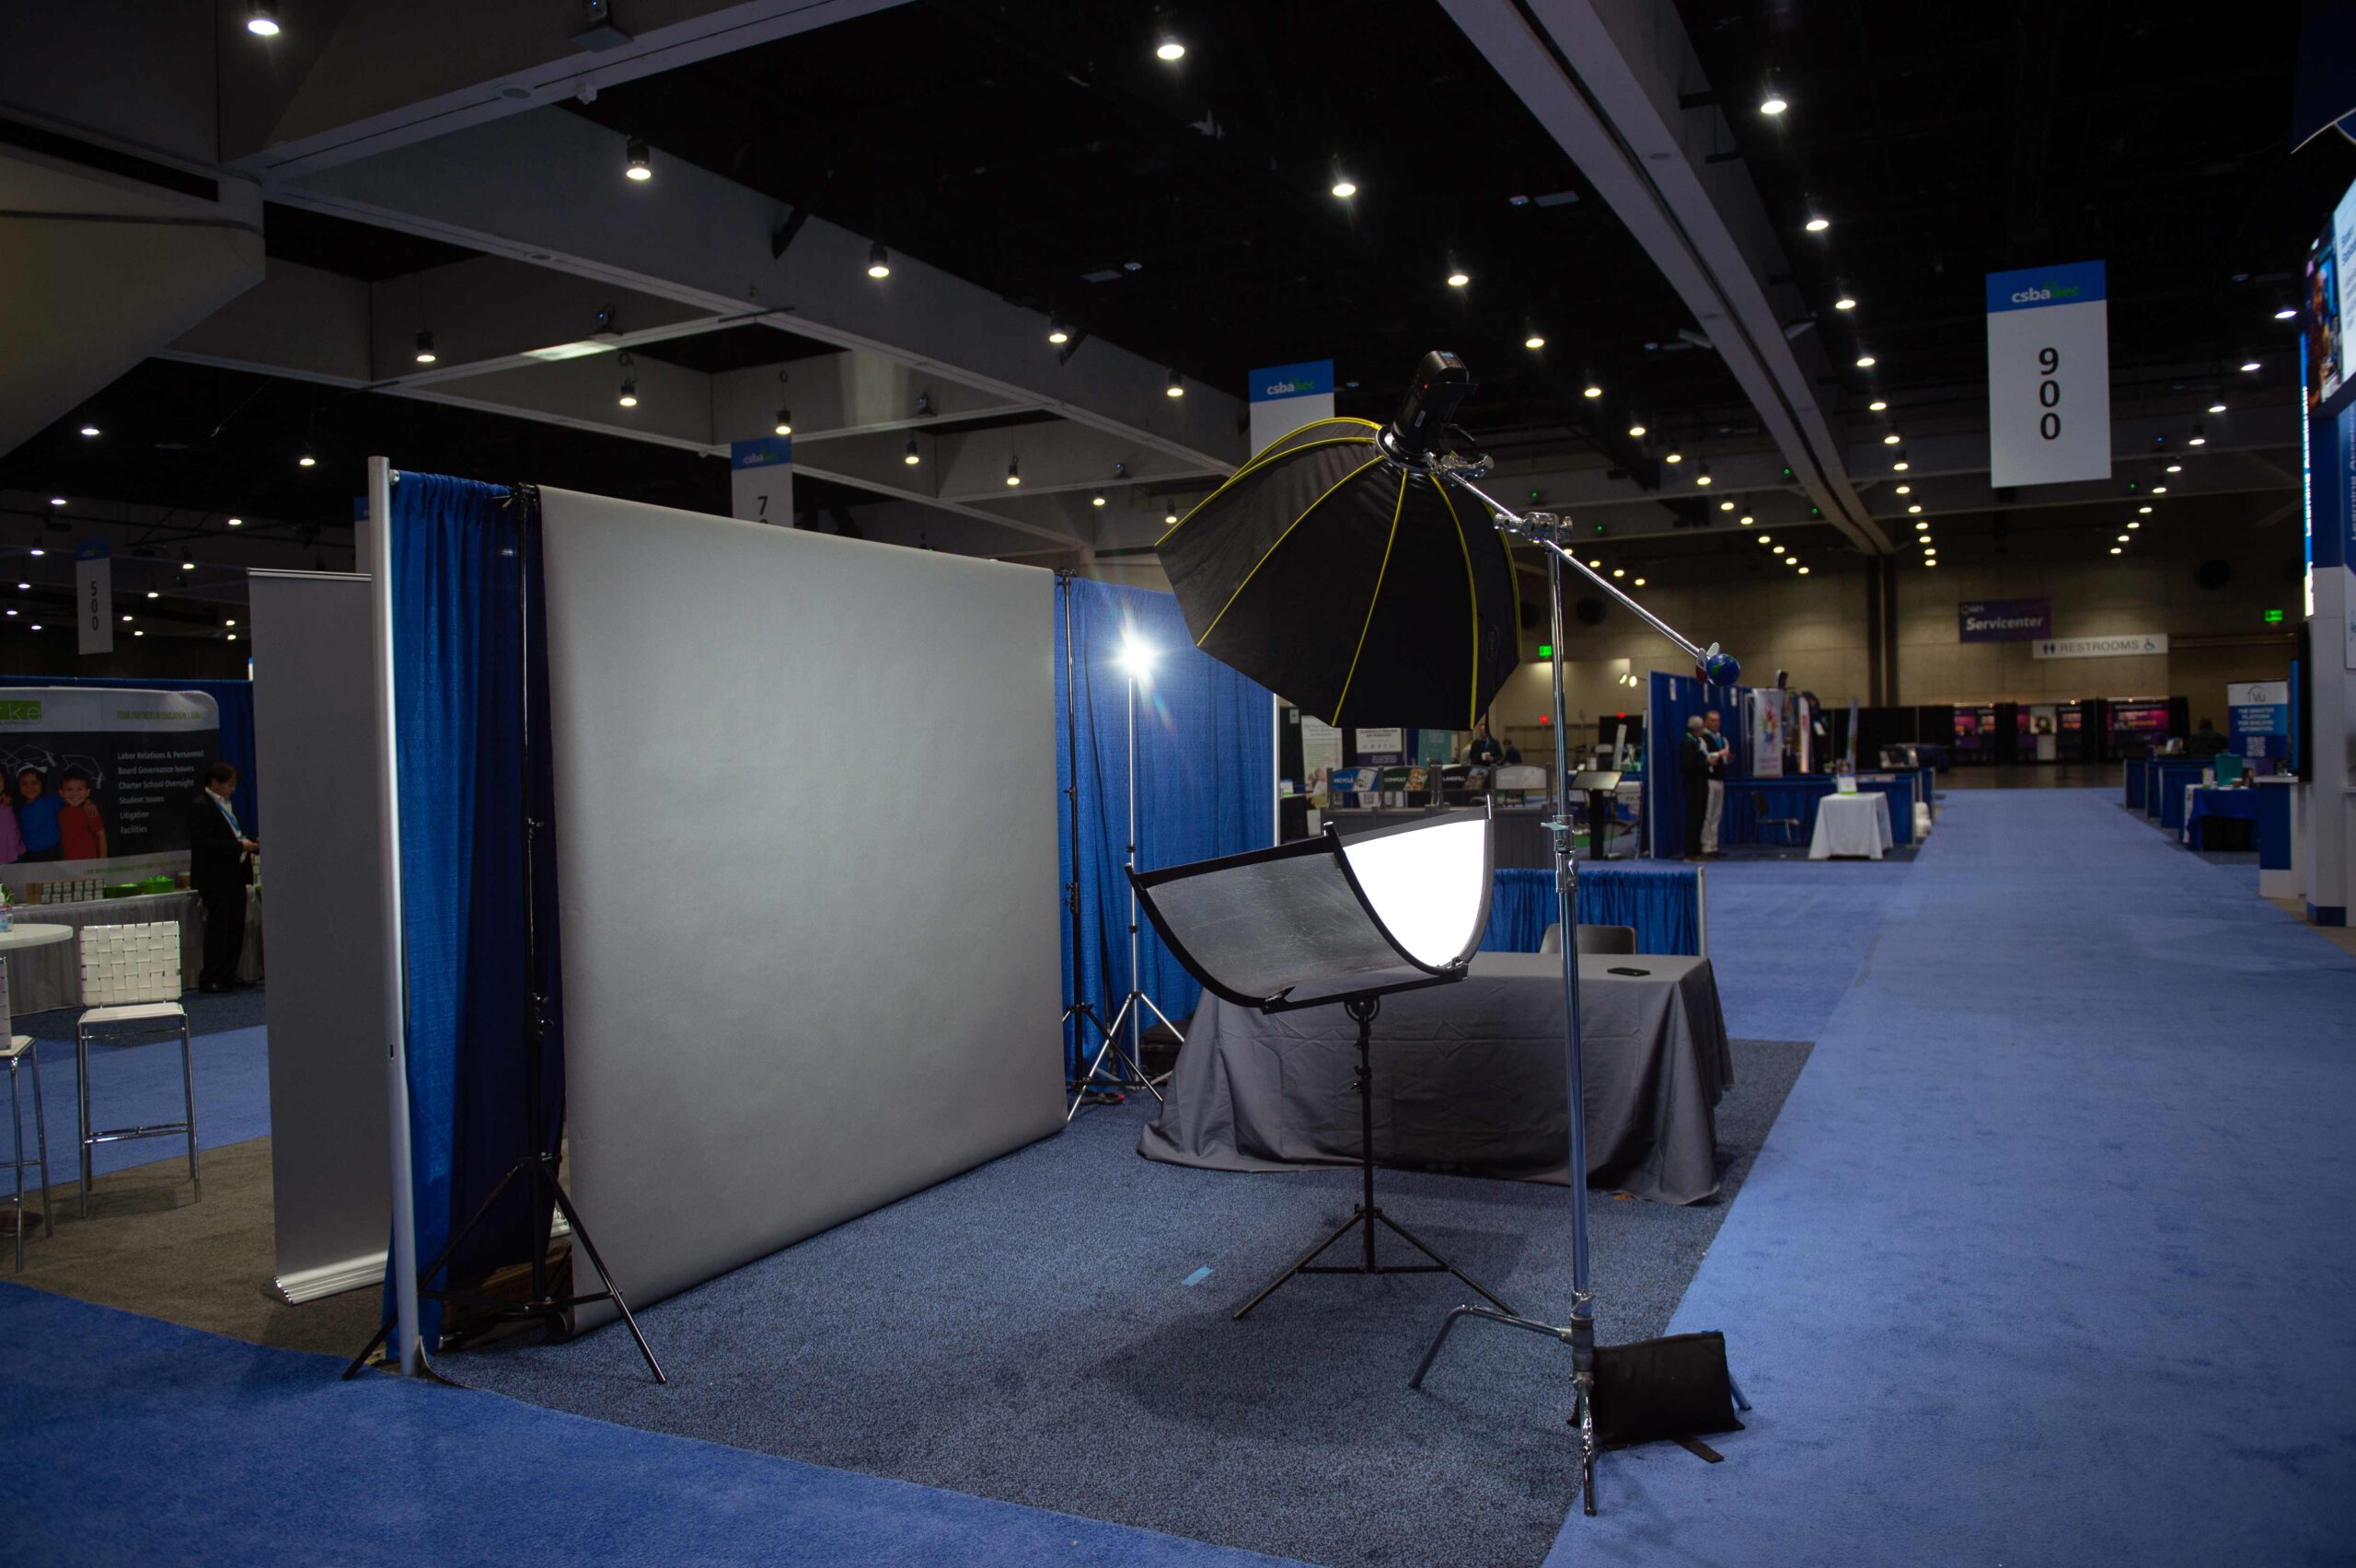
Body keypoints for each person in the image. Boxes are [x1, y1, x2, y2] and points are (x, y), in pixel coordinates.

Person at [187, 762, 259, 992]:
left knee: (235, 926)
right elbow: (206, 844)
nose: (232, 790)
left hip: (235, 875)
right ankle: (211, 976)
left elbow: (233, 834)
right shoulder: (200, 806)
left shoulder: (226, 804)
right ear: (214, 782)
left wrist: (250, 843)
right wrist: (240, 846)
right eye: (229, 785)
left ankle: (229, 972)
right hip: (215, 877)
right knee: (218, 928)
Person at [1698, 709, 1731, 856]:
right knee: (1708, 814)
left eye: (1718, 720)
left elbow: (1725, 758)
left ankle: (1714, 845)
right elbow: (1704, 756)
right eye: (1713, 720)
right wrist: (1719, 754)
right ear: (1706, 722)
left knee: (1716, 814)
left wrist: (1727, 757)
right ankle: (1705, 846)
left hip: (1720, 779)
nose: (1716, 723)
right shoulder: (1703, 738)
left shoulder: (1721, 738)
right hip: (1709, 780)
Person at [1679, 714, 1712, 859]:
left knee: (1699, 818)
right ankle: (1690, 852)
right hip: (1694, 787)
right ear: (1698, 729)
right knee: (1693, 819)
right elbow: (1688, 766)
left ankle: (1697, 850)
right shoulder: (1687, 743)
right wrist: (1706, 763)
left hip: (1700, 785)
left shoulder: (1696, 742)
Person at [57, 768, 107, 859]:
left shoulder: (90, 811)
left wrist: (102, 861)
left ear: (87, 792)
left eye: (79, 789)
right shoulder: (60, 812)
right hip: (68, 864)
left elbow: (101, 837)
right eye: (69, 789)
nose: (74, 793)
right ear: (61, 792)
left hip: (90, 863)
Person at [15, 767, 62, 863]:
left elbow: (72, 801)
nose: (29, 787)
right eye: (24, 784)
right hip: (29, 854)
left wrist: (87, 802)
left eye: (34, 782)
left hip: (53, 852)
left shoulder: (52, 801)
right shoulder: (17, 807)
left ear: (42, 784)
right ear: (18, 786)